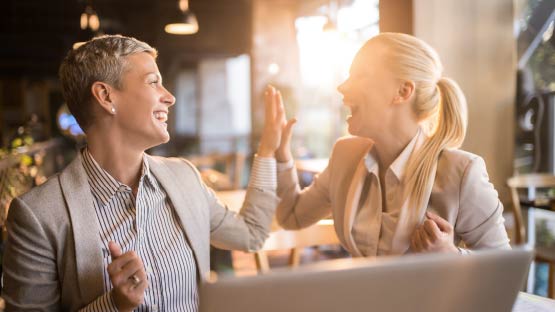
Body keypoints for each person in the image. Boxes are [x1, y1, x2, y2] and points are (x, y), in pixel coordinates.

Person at [2, 34, 284, 311]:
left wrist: (269, 151)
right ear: (105, 95)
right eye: (153, 82)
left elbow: (251, 234)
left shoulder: (184, 178)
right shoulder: (38, 216)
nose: (170, 97)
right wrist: (113, 305)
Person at [271, 32, 510, 258]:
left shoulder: (463, 173)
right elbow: (292, 216)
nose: (342, 87)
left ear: (403, 91)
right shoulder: (345, 156)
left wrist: (451, 255)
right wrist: (282, 155)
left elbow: (504, 271)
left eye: (360, 75)